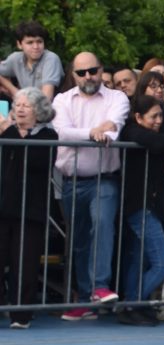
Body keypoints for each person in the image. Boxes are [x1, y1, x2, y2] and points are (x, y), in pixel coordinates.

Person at [53, 53, 130, 318]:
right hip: (72, 181)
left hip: (103, 178)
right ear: (73, 75)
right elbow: (62, 131)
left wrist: (101, 130)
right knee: (79, 240)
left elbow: (112, 130)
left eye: (93, 70)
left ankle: (100, 285)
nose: (89, 76)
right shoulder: (62, 100)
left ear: (100, 70)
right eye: (82, 72)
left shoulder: (117, 98)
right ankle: (86, 297)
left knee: (102, 225)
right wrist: (91, 133)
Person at [117, 93, 164, 325]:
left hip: (150, 205)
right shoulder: (131, 132)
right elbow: (162, 143)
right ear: (138, 117)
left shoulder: (145, 134)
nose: (158, 120)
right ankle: (131, 303)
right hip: (139, 206)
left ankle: (135, 304)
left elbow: (162, 141)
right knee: (163, 262)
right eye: (153, 116)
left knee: (139, 258)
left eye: (160, 116)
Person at [0, 90, 57, 327]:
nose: (21, 109)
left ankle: (21, 313)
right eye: (18, 104)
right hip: (3, 206)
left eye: (27, 105)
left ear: (39, 111)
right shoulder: (7, 133)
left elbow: (37, 161)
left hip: (31, 208)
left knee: (24, 261)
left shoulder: (49, 135)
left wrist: (12, 132)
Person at [0, 22, 63, 102]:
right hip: (25, 106)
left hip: (50, 110)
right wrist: (12, 89)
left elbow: (46, 98)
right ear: (19, 44)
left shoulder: (51, 59)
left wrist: (20, 96)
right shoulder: (16, 59)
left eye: (39, 42)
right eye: (30, 42)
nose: (36, 47)